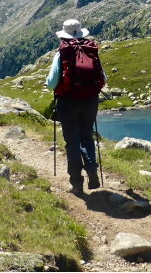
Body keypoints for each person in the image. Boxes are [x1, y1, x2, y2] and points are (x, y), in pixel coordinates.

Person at [46, 19, 106, 195]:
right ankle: (91, 169)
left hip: (69, 102)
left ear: (64, 35)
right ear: (81, 33)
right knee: (87, 136)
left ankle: (76, 183)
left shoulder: (62, 53)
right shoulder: (91, 51)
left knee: (72, 142)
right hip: (90, 101)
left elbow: (51, 83)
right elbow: (103, 78)